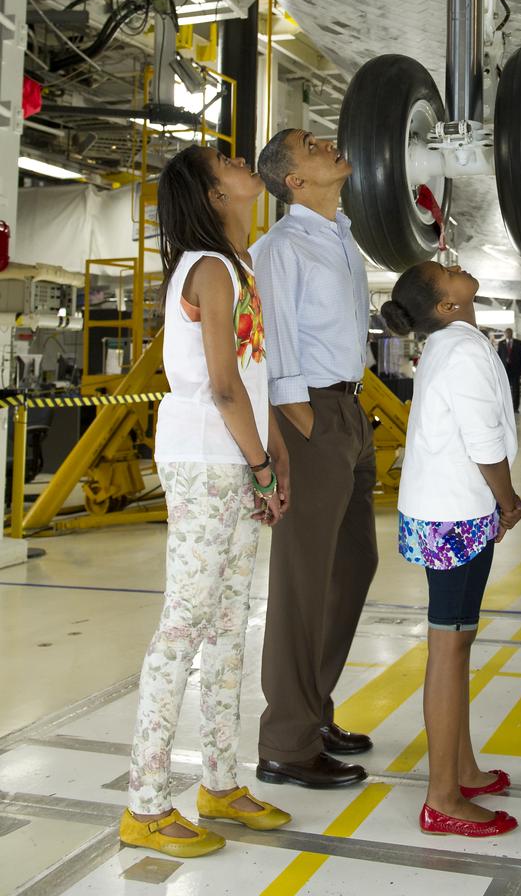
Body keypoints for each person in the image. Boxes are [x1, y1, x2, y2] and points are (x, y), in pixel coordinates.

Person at [119, 145, 291, 859]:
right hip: (207, 457)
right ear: (213, 193)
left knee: (226, 628)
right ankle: (144, 803)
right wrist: (260, 462)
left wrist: (273, 452)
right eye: (225, 163)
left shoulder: (237, 266)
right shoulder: (210, 269)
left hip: (237, 455)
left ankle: (219, 781)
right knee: (184, 628)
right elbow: (221, 387)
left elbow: (251, 378)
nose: (240, 162)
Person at [251, 129, 378, 789]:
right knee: (303, 582)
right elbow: (272, 337)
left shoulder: (339, 238)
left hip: (347, 412)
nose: (327, 140)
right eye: (308, 144)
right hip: (312, 416)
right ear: (292, 181)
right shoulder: (279, 247)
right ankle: (286, 742)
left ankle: (311, 708)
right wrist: (298, 420)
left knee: (353, 564)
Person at [382, 261, 521, 838]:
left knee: (457, 640)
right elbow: (484, 439)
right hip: (458, 515)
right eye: (448, 271)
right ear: (445, 304)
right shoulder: (462, 351)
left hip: (441, 510)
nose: (461, 267)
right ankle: (442, 797)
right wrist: (508, 500)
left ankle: (460, 767)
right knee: (450, 647)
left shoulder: (449, 341)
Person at [497, 327, 521, 413]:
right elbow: (499, 356)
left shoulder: (518, 343)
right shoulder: (501, 344)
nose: (508, 334)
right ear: (505, 334)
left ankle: (515, 408)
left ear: (512, 333)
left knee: (516, 389)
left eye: (510, 333)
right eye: (507, 333)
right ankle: (505, 407)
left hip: (515, 370)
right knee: (504, 389)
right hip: (505, 370)